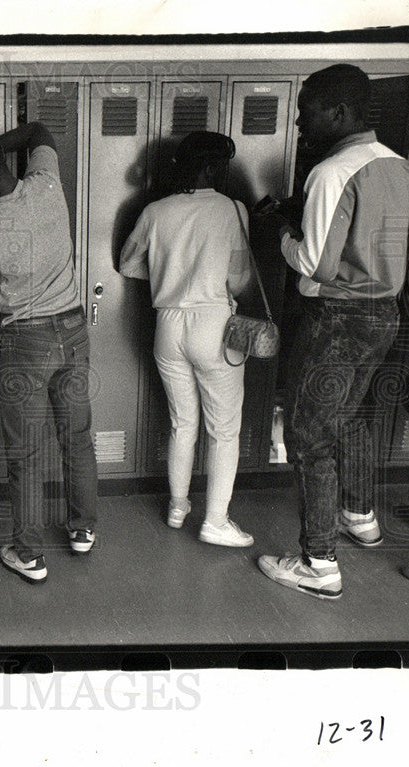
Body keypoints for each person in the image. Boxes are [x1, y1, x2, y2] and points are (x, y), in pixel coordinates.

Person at [257, 64, 409, 599]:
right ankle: (360, 514)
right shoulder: (398, 164)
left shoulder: (330, 172)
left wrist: (279, 229)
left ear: (340, 112)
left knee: (308, 437)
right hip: (384, 315)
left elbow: (315, 264)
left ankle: (318, 565)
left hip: (339, 320)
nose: (299, 123)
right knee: (349, 416)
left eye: (307, 111)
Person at [0, 122, 97, 584]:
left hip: (26, 341)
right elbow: (39, 129)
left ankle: (29, 554)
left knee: (27, 454)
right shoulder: (47, 182)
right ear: (2, 159)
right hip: (74, 330)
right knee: (76, 436)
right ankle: (82, 530)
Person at [119, 131, 254, 548]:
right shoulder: (233, 210)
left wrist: (168, 279)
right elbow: (239, 278)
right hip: (213, 325)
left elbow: (127, 264)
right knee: (224, 431)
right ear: (213, 168)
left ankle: (178, 506)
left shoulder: (156, 210)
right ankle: (215, 520)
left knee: (182, 423)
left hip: (168, 326)